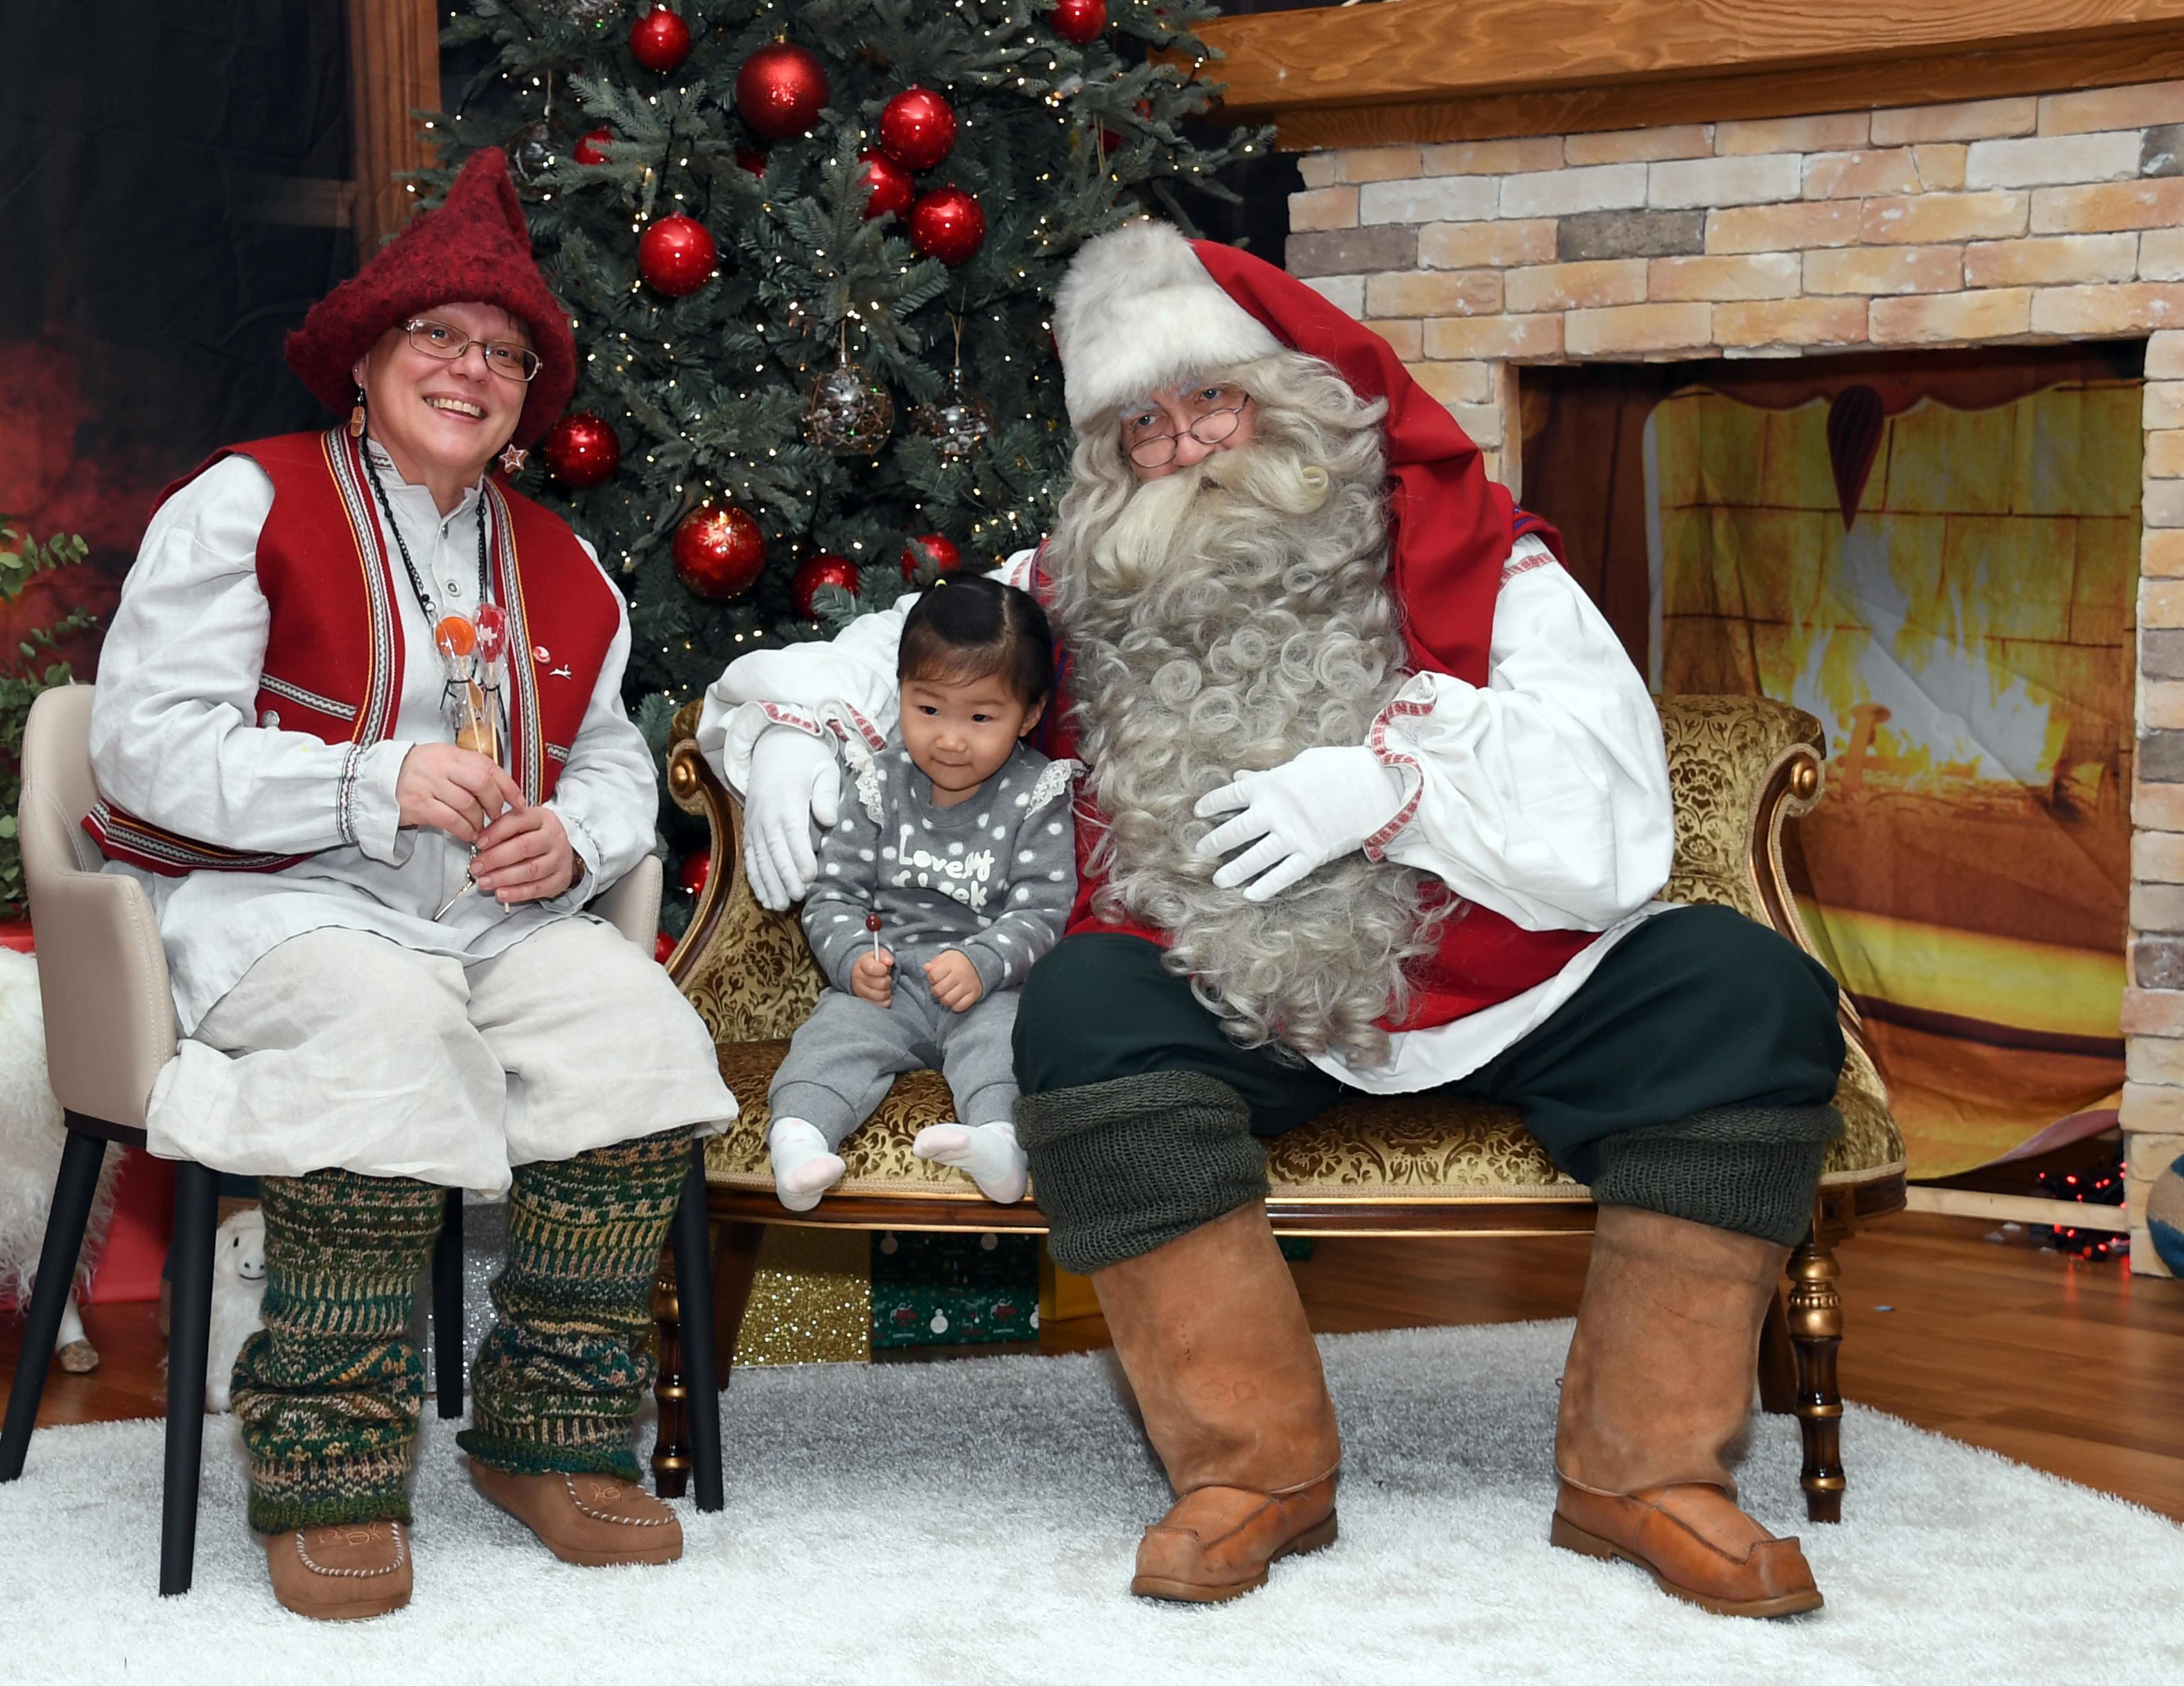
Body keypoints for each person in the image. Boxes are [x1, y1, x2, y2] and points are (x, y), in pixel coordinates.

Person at [701, 220, 1846, 1619]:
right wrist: (802, 734)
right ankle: (1252, 1467)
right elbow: (878, 662)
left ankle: (1646, 1471)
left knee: (1742, 987)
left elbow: (1613, 819)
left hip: (1498, 981)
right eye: (1146, 424)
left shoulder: (1487, 563)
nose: (1187, 447)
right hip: (1218, 991)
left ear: (1290, 401)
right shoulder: (1063, 589)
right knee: (1081, 1011)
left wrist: (1389, 782)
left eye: (1215, 403)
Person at [88, 150, 736, 1621]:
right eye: (438, 337)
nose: (472, 368)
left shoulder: (569, 568)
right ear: (369, 358)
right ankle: (328, 1457)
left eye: (504, 353)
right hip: (282, 905)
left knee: (638, 1035)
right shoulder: (243, 501)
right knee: (382, 1032)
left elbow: (620, 765)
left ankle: (550, 1434)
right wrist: (365, 782)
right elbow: (141, 745)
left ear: (527, 403)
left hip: (490, 920)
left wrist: (573, 837)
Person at [765, 573, 1078, 1211]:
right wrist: (853, 958)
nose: (951, 738)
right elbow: (833, 895)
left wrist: (985, 960)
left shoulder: (1036, 793)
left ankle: (998, 1144)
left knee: (1004, 1046)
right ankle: (799, 1140)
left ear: (1031, 714)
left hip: (988, 987)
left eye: (982, 717)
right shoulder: (880, 781)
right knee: (833, 1037)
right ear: (902, 693)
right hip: (889, 982)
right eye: (927, 709)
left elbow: (1044, 910)